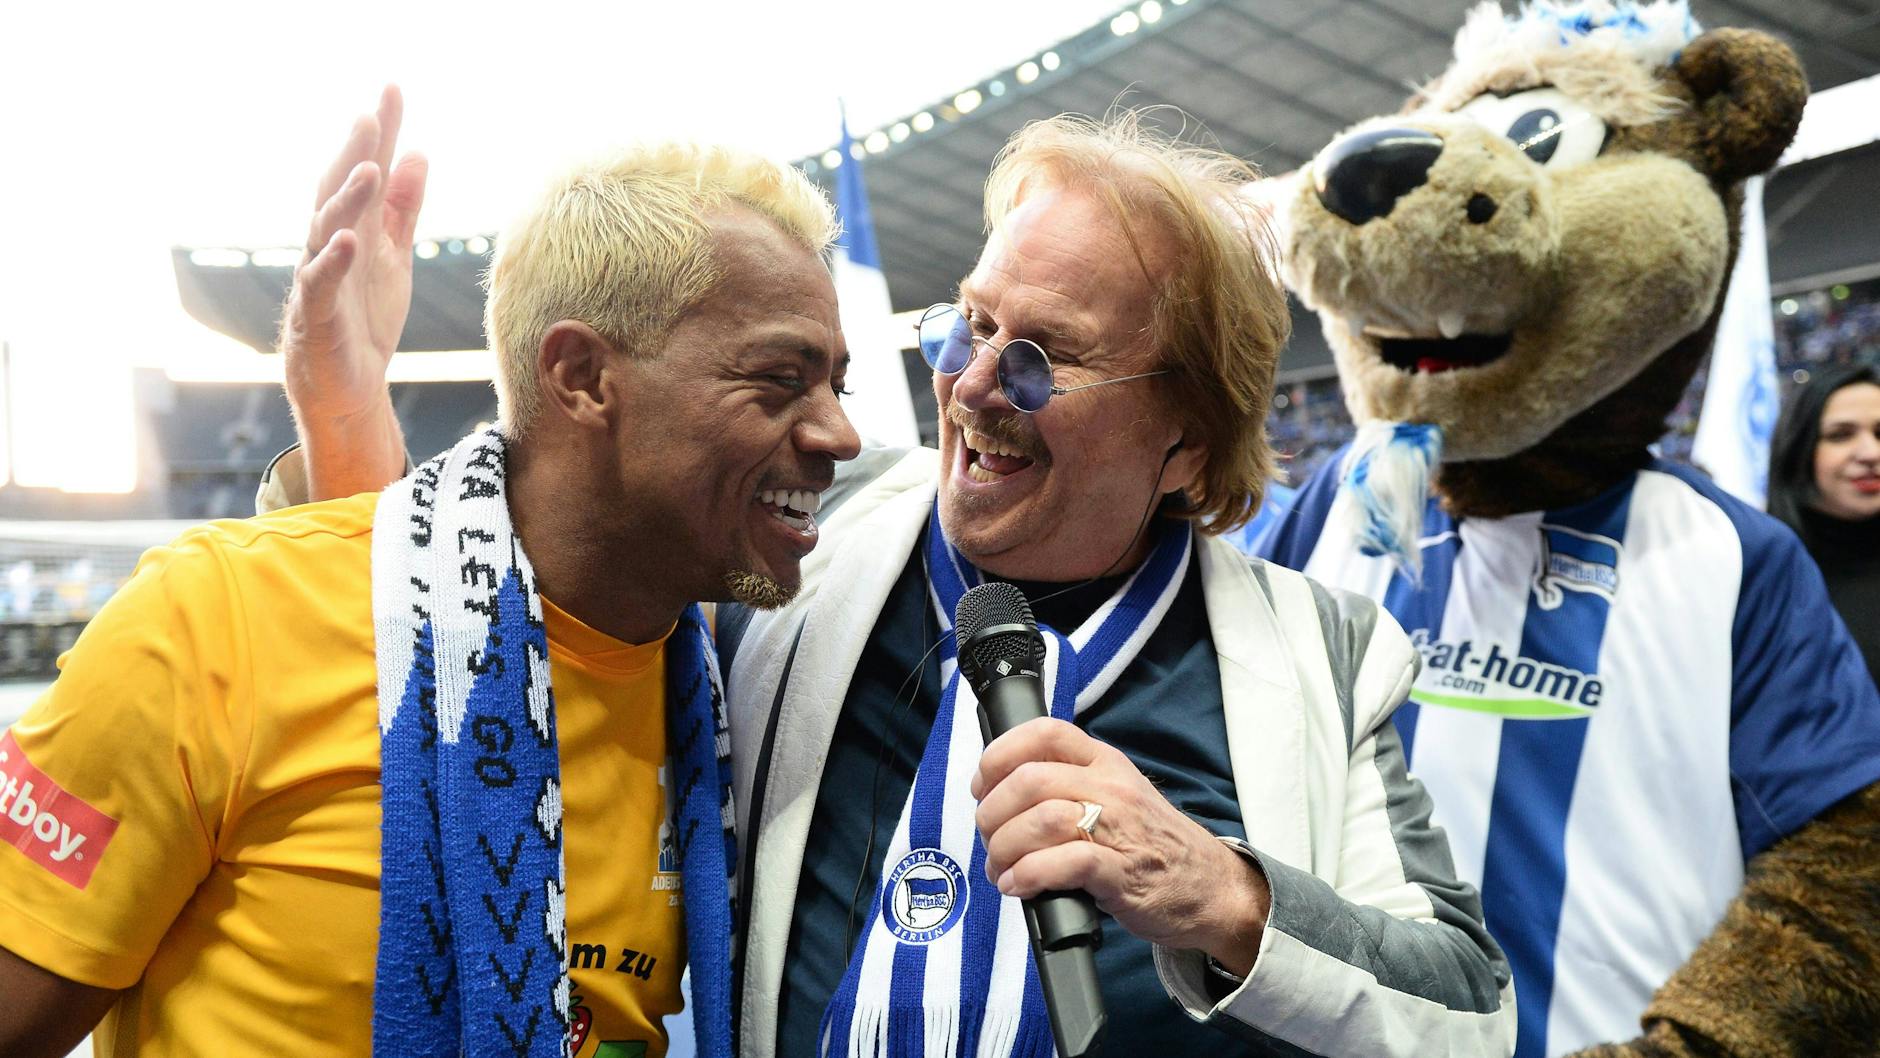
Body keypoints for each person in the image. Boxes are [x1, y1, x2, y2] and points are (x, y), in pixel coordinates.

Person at [287, 110, 1517, 1056]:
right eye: (964, 325)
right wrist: (345, 421)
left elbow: (1470, 1010)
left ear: (1185, 442)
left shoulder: (1316, 651)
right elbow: (483, 615)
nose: (975, 384)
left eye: (1042, 359)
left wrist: (1218, 892)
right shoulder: (782, 543)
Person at [0, 86, 859, 1058]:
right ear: (580, 375)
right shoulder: (217, 622)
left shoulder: (736, 683)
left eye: (840, 380)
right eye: (779, 379)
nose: (840, 432)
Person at [1768, 359, 1880, 685]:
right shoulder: (1760, 577)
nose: (1870, 453)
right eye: (1840, 435)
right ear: (1798, 447)